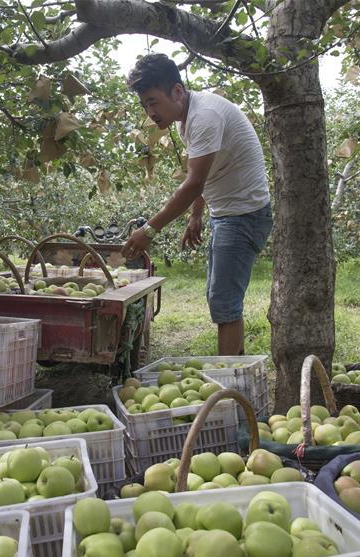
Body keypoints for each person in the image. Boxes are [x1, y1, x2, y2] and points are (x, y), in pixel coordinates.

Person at [121, 54, 272, 356]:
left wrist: (149, 230)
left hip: (244, 214)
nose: (150, 112)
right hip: (228, 213)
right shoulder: (186, 118)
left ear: (176, 91)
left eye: (153, 102)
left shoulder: (204, 117)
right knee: (219, 297)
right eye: (144, 105)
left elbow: (193, 183)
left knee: (224, 301)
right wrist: (197, 215)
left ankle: (230, 383)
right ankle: (235, 373)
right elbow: (205, 172)